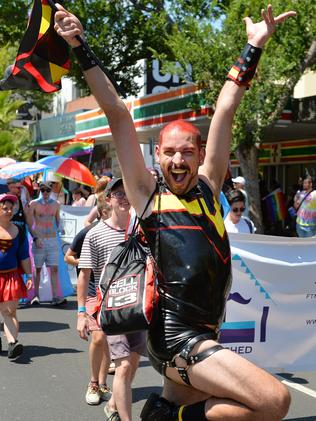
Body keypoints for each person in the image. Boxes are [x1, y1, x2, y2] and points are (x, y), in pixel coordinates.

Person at [55, 4, 295, 420]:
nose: (179, 159)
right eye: (169, 152)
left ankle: (165, 412)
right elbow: (116, 112)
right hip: (176, 338)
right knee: (274, 401)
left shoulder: (208, 185)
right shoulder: (147, 194)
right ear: (157, 157)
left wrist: (253, 46)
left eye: (188, 151)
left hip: (205, 331)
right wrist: (79, 44)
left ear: (202, 154)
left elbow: (225, 108)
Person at [77, 178, 146, 420]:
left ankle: (113, 405)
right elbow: (84, 275)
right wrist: (81, 313)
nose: (124, 198)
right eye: (118, 194)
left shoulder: (142, 229)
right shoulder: (94, 234)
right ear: (108, 200)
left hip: (138, 307)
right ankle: (96, 384)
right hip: (110, 307)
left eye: (128, 193)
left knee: (133, 364)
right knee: (123, 364)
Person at [0, 193, 32, 359]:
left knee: (9, 311)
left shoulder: (18, 230)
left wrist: (29, 276)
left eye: (11, 208)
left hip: (11, 276)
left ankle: (13, 343)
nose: (9, 211)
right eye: (5, 208)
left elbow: (24, 255)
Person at [28, 182, 65, 305]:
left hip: (52, 240)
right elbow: (29, 224)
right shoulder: (34, 204)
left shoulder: (56, 204)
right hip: (39, 240)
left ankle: (55, 297)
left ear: (51, 191)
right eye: (42, 190)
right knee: (37, 269)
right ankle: (36, 296)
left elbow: (58, 220)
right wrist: (35, 238)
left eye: (47, 190)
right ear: (39, 190)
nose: (45, 193)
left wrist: (61, 227)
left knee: (54, 268)